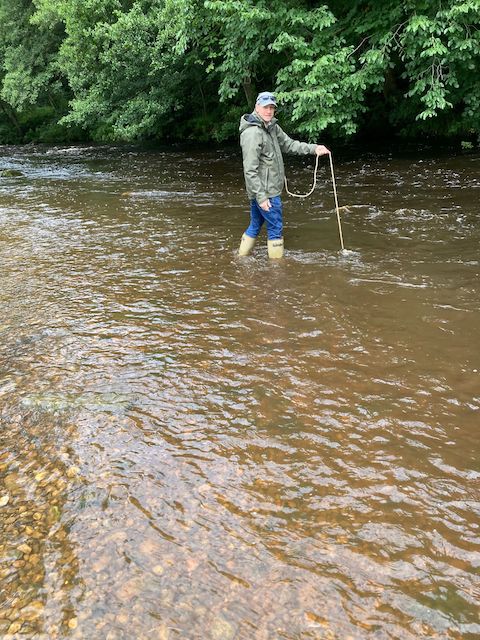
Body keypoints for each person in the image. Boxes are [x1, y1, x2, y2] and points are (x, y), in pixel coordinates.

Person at [238, 91, 330, 259]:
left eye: (272, 107)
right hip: (266, 192)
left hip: (265, 190)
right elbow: (249, 170)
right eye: (266, 107)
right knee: (275, 228)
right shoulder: (252, 133)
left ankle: (240, 258)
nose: (269, 111)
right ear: (257, 107)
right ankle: (277, 270)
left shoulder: (272, 126)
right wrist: (261, 197)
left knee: (256, 225)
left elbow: (289, 144)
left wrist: (314, 148)